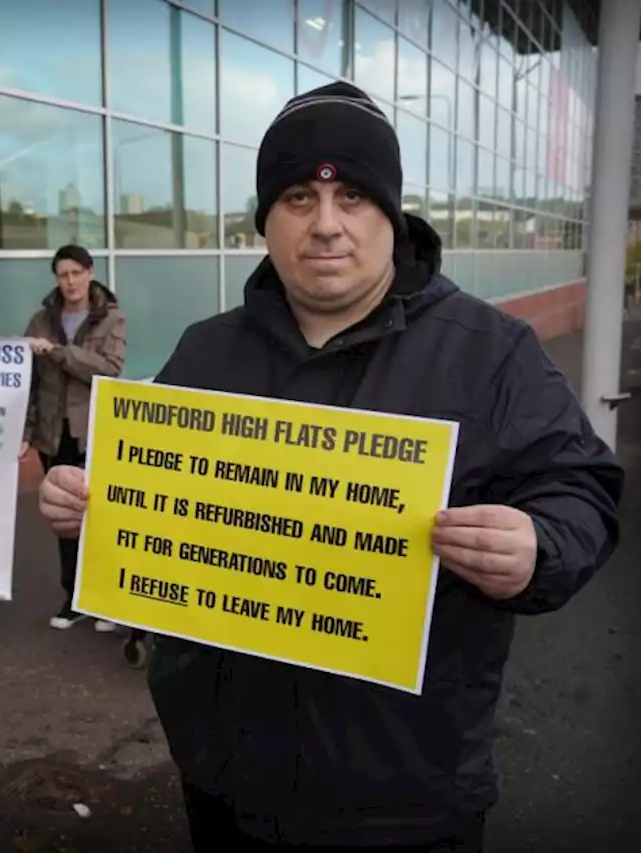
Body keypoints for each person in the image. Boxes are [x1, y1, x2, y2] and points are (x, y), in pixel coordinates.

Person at [36, 81, 624, 852]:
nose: (326, 226)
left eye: (352, 196)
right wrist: (90, 505)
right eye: (296, 199)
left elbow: (582, 488)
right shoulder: (206, 350)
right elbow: (150, 508)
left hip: (407, 787)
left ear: (392, 212)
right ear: (266, 220)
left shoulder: (490, 352)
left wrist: (538, 544)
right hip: (226, 774)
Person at [21, 245, 125, 633]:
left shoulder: (111, 319)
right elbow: (28, 384)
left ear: (89, 272)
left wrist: (59, 353)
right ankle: (75, 597)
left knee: (98, 516)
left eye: (76, 273)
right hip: (53, 434)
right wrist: (27, 434)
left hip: (93, 432)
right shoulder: (41, 320)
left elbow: (109, 369)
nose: (70, 282)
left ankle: (108, 600)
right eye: (63, 275)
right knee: (64, 519)